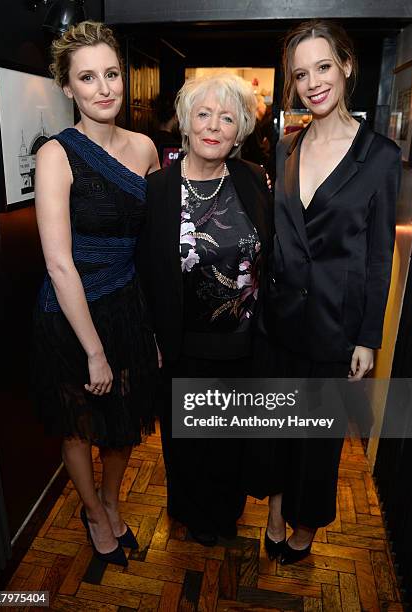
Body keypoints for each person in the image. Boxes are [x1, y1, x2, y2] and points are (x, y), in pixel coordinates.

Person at [258, 20, 401, 564]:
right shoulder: (285, 146)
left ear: (345, 65)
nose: (313, 82)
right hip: (278, 322)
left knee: (316, 442)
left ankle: (304, 523)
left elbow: (377, 254)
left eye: (323, 66)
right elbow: (278, 235)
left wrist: (367, 337)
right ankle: (273, 508)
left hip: (335, 329)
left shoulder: (380, 156)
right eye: (300, 74)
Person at [32, 20, 160, 566]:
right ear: (68, 87)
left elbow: (154, 250)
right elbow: (59, 263)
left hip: (128, 305)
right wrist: (94, 350)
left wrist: (153, 328)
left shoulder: (147, 148)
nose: (104, 87)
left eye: (111, 74)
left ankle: (111, 499)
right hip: (70, 316)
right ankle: (91, 510)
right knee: (79, 424)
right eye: (88, 77)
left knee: (126, 421)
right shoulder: (56, 155)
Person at [137, 73, 273, 546]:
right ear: (185, 123)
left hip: (242, 346)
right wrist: (150, 335)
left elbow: (271, 256)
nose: (214, 126)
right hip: (181, 347)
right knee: (185, 442)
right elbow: (143, 269)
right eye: (204, 114)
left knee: (230, 443)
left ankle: (224, 513)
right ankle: (190, 512)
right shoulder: (156, 189)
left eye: (227, 117)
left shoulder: (255, 180)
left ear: (239, 133)